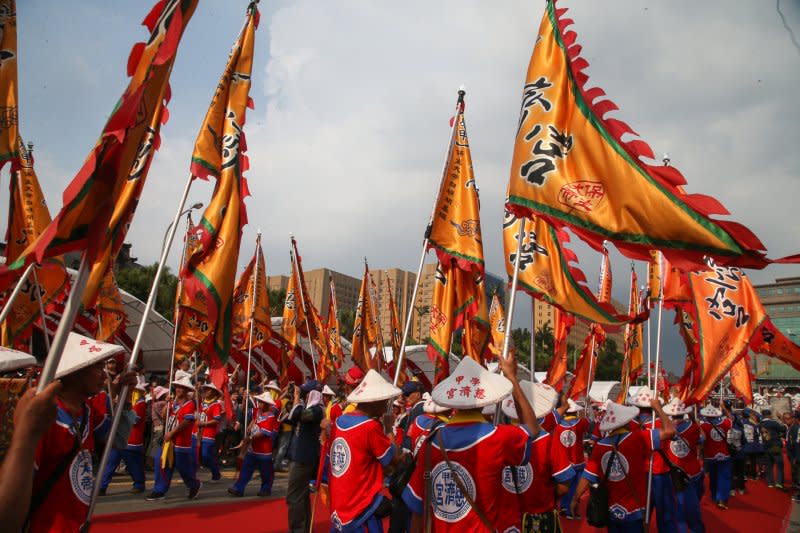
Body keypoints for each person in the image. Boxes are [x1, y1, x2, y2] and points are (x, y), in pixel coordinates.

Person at [402, 353, 540, 532]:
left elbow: (418, 508)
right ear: (484, 400)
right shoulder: (497, 438)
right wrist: (512, 378)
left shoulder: (430, 443)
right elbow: (533, 429)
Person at [28, 334, 135, 532]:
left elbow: (116, 439)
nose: (104, 375)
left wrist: (125, 394)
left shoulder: (87, 410)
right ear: (74, 371)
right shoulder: (44, 415)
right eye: (97, 367)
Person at [570, 398, 676, 532]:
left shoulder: (600, 446)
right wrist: (657, 408)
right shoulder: (638, 438)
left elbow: (587, 476)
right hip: (634, 510)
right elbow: (670, 431)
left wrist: (575, 498)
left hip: (611, 511)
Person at [329, 369, 403, 531]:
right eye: (383, 401)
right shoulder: (370, 427)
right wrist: (389, 428)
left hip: (341, 502)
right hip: (361, 504)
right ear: (373, 402)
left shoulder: (340, 421)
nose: (385, 406)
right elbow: (394, 460)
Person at [498, 380, 567, 533]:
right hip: (538, 520)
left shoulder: (495, 436)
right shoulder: (547, 440)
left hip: (503, 521)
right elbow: (563, 487)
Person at [0, 380, 61, 532]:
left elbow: (117, 440)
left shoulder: (45, 413)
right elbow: (6, 522)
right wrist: (27, 434)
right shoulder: (41, 418)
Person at [147, 376, 201, 501]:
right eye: (177, 387)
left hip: (181, 442)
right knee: (161, 462)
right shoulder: (172, 402)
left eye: (181, 387)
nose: (178, 389)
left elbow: (186, 422)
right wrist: (166, 408)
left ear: (187, 390)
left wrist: (172, 433)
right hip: (169, 441)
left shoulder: (190, 404)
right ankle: (159, 490)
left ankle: (194, 484)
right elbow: (165, 417)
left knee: (183, 468)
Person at [285, 380, 325, 533]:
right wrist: (293, 397)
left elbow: (296, 414)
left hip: (303, 458)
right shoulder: (308, 409)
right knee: (301, 495)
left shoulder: (316, 411)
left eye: (305, 394)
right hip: (299, 456)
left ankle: (298, 530)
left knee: (294, 496)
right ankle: (304, 528)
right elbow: (288, 416)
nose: (303, 397)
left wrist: (296, 397)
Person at [662, 397, 705, 533]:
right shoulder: (692, 427)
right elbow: (702, 439)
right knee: (693, 505)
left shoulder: (665, 429)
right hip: (693, 471)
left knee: (677, 507)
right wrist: (693, 419)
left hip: (675, 473)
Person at [99, 377, 148, 495]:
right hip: (119, 436)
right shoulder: (120, 400)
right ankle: (102, 486)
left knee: (134, 465)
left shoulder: (140, 403)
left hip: (132, 439)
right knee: (110, 462)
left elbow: (135, 420)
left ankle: (139, 484)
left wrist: (121, 411)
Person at [229, 391, 279, 497]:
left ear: (266, 404)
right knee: (246, 469)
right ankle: (238, 488)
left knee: (266, 473)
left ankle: (266, 489)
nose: (259, 403)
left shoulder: (270, 417)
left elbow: (264, 433)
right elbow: (248, 414)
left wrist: (251, 437)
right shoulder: (257, 411)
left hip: (264, 450)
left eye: (261, 402)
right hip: (253, 449)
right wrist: (250, 425)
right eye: (259, 401)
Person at [553, 398, 592, 519]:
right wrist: (587, 407)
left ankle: (564, 506)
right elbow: (591, 422)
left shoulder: (557, 425)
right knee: (575, 487)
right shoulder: (581, 423)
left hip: (562, 463)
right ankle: (571, 511)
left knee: (564, 484)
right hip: (577, 461)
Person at [699, 404, 733, 508]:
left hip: (710, 455)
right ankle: (722, 498)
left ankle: (715, 496)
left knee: (713, 477)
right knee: (724, 477)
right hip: (724, 454)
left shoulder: (703, 426)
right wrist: (724, 409)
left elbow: (702, 440)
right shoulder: (724, 423)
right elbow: (731, 418)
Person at [198, 383, 224, 483]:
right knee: (199, 455)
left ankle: (216, 473)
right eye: (206, 389)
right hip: (199, 432)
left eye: (209, 390)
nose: (207, 391)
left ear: (214, 392)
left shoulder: (216, 404)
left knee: (206, 455)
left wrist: (203, 423)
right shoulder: (202, 402)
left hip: (209, 433)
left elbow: (217, 419)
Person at [759, 408, 787, 489]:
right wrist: (782, 420)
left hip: (766, 446)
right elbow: (783, 429)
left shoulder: (760, 424)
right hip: (775, 445)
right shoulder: (773, 423)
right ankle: (779, 482)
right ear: (769, 415)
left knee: (768, 465)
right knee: (779, 464)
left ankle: (770, 482)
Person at [740, 407, 762, 480]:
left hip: (743, 445)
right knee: (753, 461)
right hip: (753, 445)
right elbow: (757, 433)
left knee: (744, 460)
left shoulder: (740, 422)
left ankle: (744, 474)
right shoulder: (754, 423)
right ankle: (753, 475)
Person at [786, 411, 800, 501]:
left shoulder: (796, 428)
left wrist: (796, 457)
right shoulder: (793, 427)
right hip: (793, 454)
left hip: (796, 455)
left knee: (798, 474)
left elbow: (797, 444)